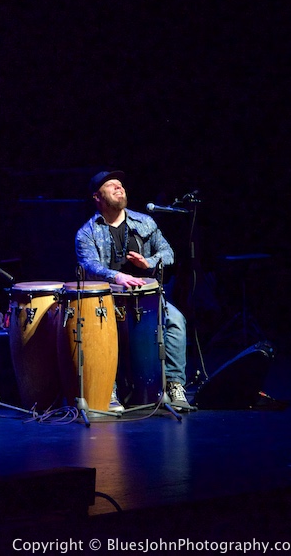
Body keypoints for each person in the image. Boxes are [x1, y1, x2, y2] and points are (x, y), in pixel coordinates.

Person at [75, 170, 194, 412]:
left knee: (175, 321)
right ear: (97, 197)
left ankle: (173, 384)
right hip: (107, 299)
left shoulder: (145, 222)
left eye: (121, 185)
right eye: (112, 186)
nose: (120, 188)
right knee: (101, 335)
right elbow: (89, 264)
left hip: (147, 299)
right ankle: (108, 389)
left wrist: (147, 263)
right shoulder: (86, 232)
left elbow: (168, 253)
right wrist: (117, 275)